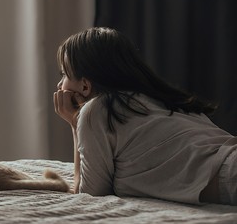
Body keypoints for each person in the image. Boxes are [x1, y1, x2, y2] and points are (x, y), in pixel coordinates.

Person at [53, 27, 237, 205]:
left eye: (64, 74)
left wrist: (74, 123)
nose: (60, 85)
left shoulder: (96, 111)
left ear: (85, 86)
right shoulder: (159, 98)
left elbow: (88, 194)